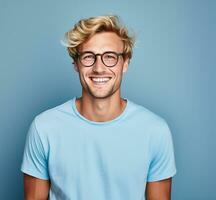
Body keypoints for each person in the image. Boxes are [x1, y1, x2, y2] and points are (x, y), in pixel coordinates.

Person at [20, 15, 177, 200]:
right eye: (88, 57)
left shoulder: (155, 131)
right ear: (76, 64)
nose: (99, 68)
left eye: (110, 57)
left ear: (125, 63)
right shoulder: (44, 128)